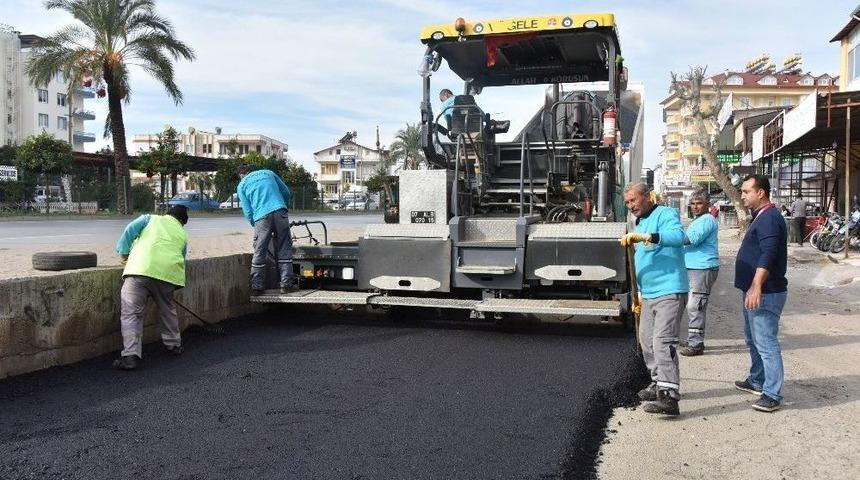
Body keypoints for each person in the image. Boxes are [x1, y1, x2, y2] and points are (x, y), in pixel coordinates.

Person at [620, 183, 689, 416]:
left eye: (634, 200)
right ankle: (659, 381)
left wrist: (649, 236)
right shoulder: (638, 222)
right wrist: (638, 295)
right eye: (627, 203)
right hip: (648, 293)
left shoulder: (665, 214)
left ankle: (669, 396)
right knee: (646, 340)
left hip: (669, 289)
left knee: (662, 341)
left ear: (647, 197)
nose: (631, 206)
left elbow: (679, 237)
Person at [734, 174, 788, 413]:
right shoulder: (761, 217)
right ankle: (757, 380)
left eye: (746, 191)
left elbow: (768, 254)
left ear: (761, 193)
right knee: (753, 339)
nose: (743, 196)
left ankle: (772, 393)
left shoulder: (769, 219)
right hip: (754, 291)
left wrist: (756, 286)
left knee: (766, 343)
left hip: (765, 292)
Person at [113, 205, 189, 371]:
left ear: (167, 214)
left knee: (131, 313)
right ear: (182, 222)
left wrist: (124, 252)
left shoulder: (150, 218)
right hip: (168, 275)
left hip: (139, 269)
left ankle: (130, 356)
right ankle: (174, 345)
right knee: (167, 309)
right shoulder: (183, 234)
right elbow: (181, 258)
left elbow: (129, 230)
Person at [237, 165, 297, 294]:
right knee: (284, 247)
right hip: (280, 211)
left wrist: (255, 224)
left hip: (261, 216)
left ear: (242, 175)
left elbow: (247, 210)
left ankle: (257, 286)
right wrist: (284, 207)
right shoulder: (269, 173)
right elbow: (286, 192)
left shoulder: (242, 184)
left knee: (260, 250)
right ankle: (286, 284)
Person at [680, 191, 720, 357]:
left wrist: (665, 237)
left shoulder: (707, 220)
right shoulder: (698, 220)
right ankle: (693, 339)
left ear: (707, 204)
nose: (695, 207)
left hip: (703, 268)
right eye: (693, 203)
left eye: (699, 203)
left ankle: (696, 344)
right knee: (692, 305)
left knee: (695, 306)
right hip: (694, 267)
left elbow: (691, 239)